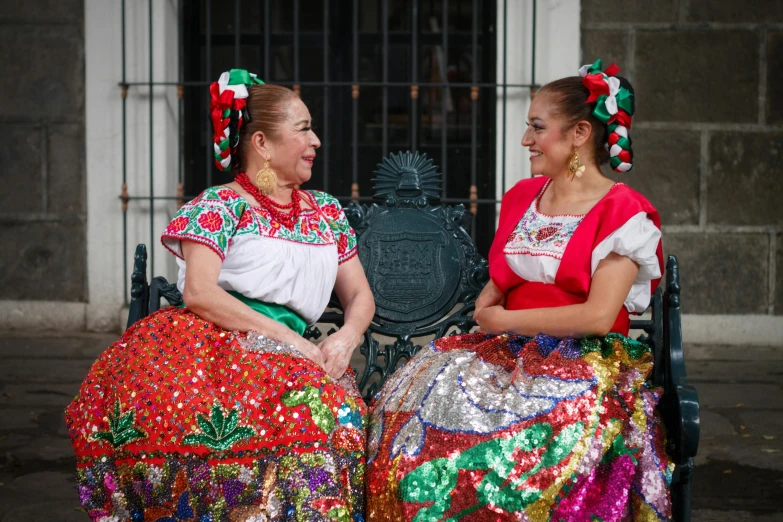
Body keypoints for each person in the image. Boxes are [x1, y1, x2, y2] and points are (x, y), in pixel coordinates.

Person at [366, 60, 672, 521]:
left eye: (537, 127)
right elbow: (499, 283)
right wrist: (496, 314)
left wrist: (504, 319)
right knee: (421, 406)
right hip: (509, 349)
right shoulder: (523, 197)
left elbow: (596, 316)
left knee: (545, 432)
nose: (527, 140)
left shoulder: (623, 213)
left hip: (585, 355)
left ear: (579, 133)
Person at [66, 69, 375, 522]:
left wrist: (346, 338)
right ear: (262, 144)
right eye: (304, 129)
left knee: (329, 418)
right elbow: (200, 293)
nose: (317, 142)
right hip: (214, 343)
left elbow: (360, 295)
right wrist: (294, 343)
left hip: (293, 353)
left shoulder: (326, 211)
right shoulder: (218, 206)